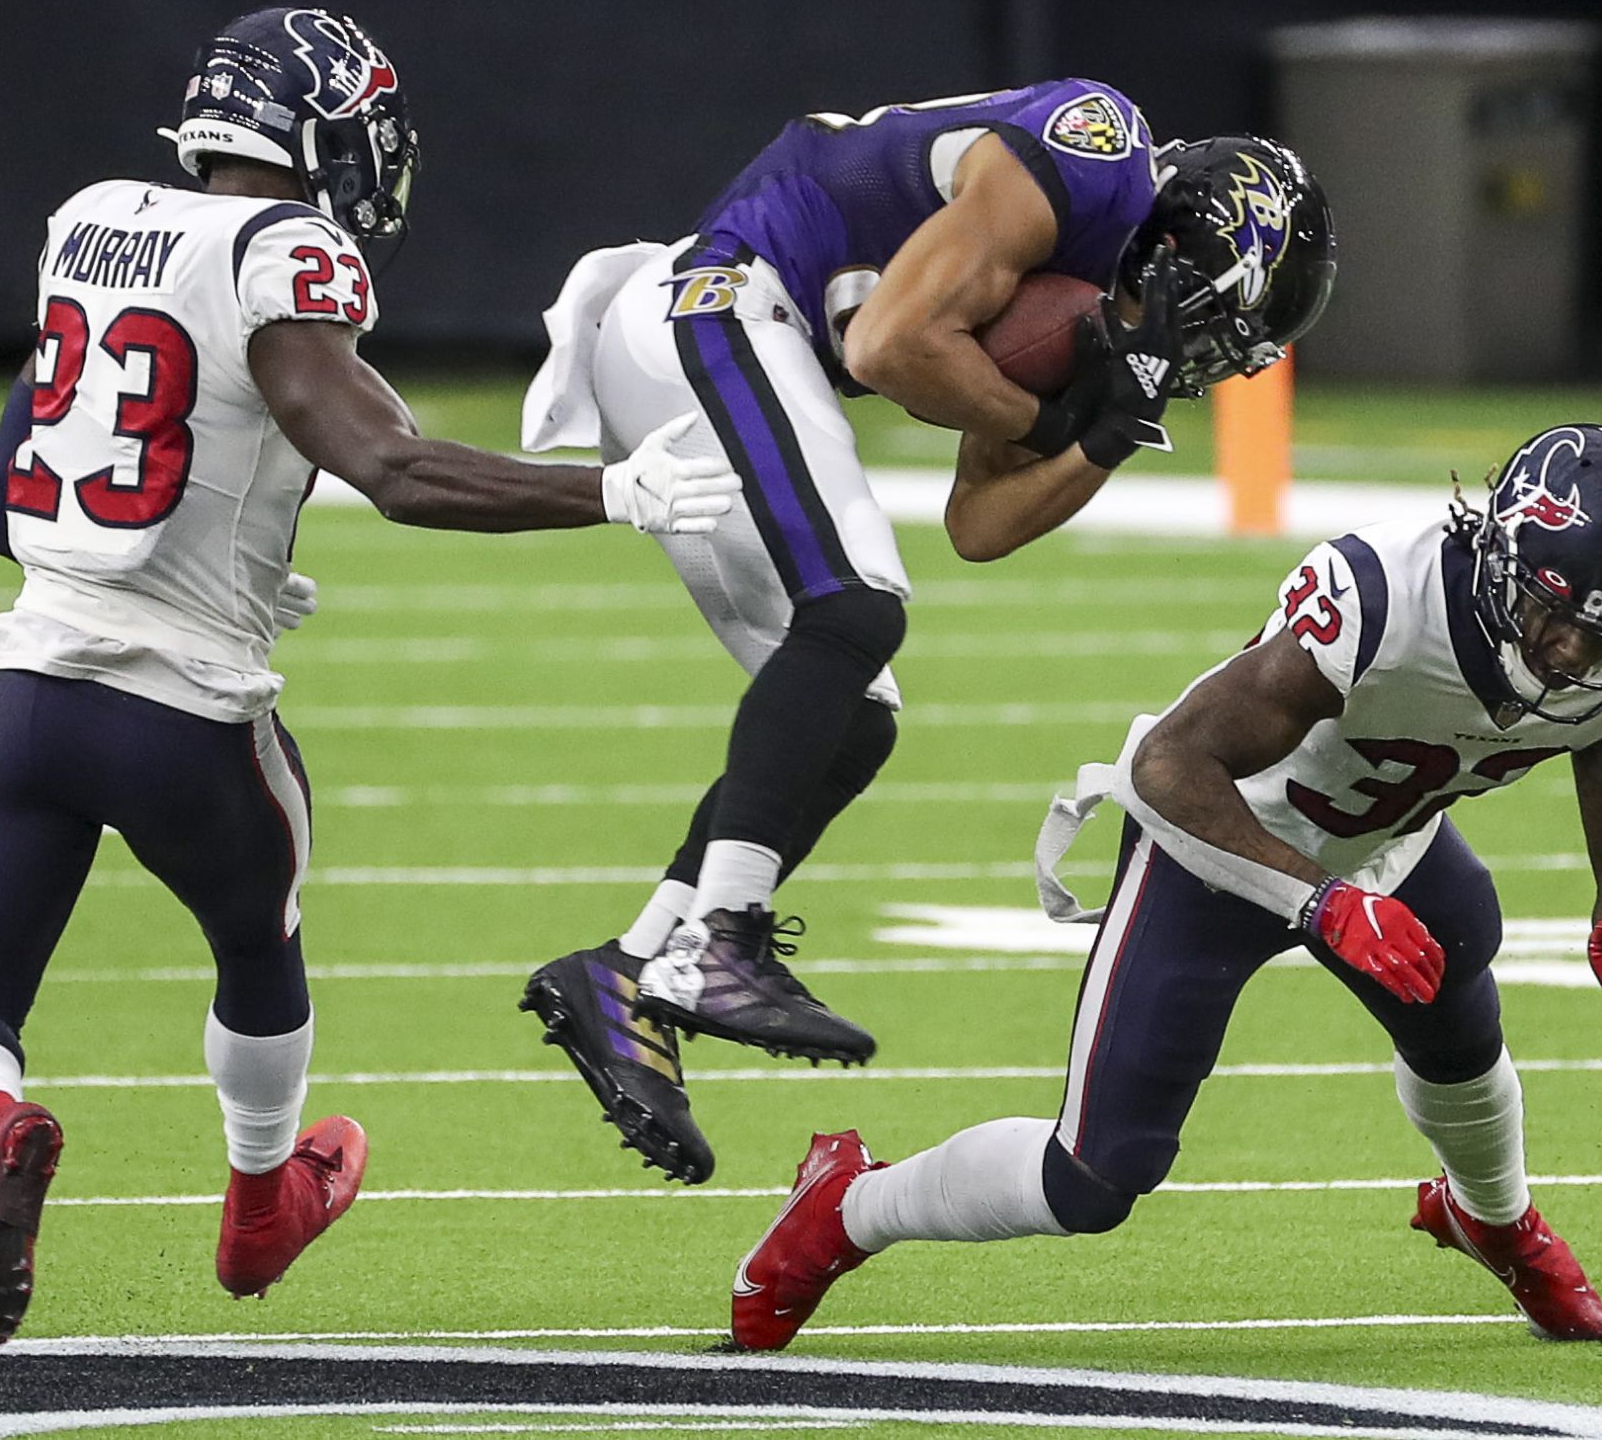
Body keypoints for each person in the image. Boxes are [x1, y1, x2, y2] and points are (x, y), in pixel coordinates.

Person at [0, 5, 738, 1355]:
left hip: (35, 698)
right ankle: (259, 1199)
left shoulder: (92, 222)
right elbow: (395, 468)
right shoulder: (282, 250)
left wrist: (190, 529)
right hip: (192, 717)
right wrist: (617, 491)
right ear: (310, 131)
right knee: (259, 939)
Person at [520, 83, 1337, 1185]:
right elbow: (888, 343)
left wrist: (1103, 433)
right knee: (852, 608)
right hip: (713, 302)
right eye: (1216, 323)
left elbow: (978, 524)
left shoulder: (1088, 292)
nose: (1206, 355)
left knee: (852, 718)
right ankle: (721, 938)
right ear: (1193, 249)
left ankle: (625, 968)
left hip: (731, 336)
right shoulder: (1091, 153)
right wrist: (1053, 416)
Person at [727, 424, 1602, 1349]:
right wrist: (1318, 900)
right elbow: (1170, 763)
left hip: (1383, 844)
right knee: (1095, 1178)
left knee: (1458, 999)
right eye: (1554, 615)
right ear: (1500, 559)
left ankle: (1494, 1218)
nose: (1569, 655)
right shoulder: (1385, 599)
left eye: (1600, 637)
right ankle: (848, 1204)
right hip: (1223, 839)